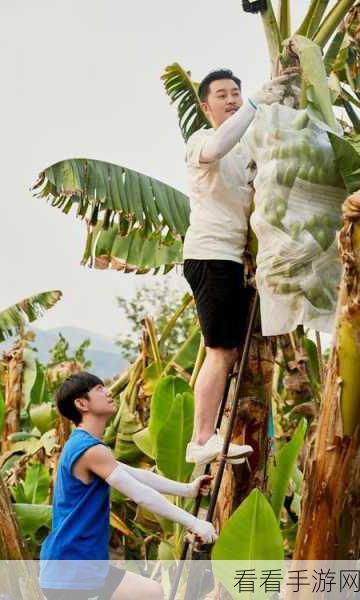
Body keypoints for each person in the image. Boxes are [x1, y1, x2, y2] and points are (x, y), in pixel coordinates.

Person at [183, 69, 293, 465]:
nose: (231, 99)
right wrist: (254, 103)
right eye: (222, 95)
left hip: (236, 260)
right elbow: (217, 148)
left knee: (229, 352)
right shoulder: (200, 142)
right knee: (219, 350)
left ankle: (214, 432)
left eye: (236, 93)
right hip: (210, 255)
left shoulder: (247, 145)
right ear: (205, 105)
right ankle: (200, 439)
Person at [39, 372, 217, 600]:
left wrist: (187, 490)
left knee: (151, 593)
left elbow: (137, 475)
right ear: (81, 404)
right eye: (99, 389)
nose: (108, 392)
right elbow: (140, 494)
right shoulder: (89, 450)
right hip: (72, 569)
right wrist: (194, 523)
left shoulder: (87, 446)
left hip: (80, 566)